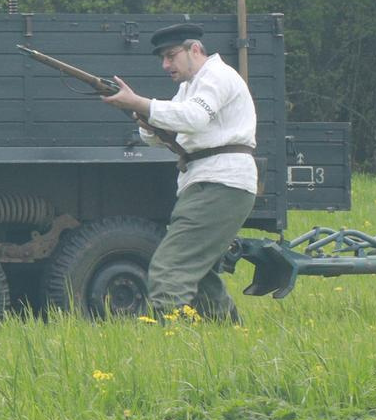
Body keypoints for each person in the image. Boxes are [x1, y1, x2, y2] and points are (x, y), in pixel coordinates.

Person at [97, 21, 256, 322]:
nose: (165, 65)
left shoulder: (216, 76)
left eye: (171, 56)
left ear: (194, 50)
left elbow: (193, 118)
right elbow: (167, 134)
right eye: (163, 58)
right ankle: (228, 332)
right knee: (198, 271)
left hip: (220, 182)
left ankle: (169, 337)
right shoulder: (189, 87)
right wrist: (146, 118)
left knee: (170, 268)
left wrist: (140, 102)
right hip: (208, 181)